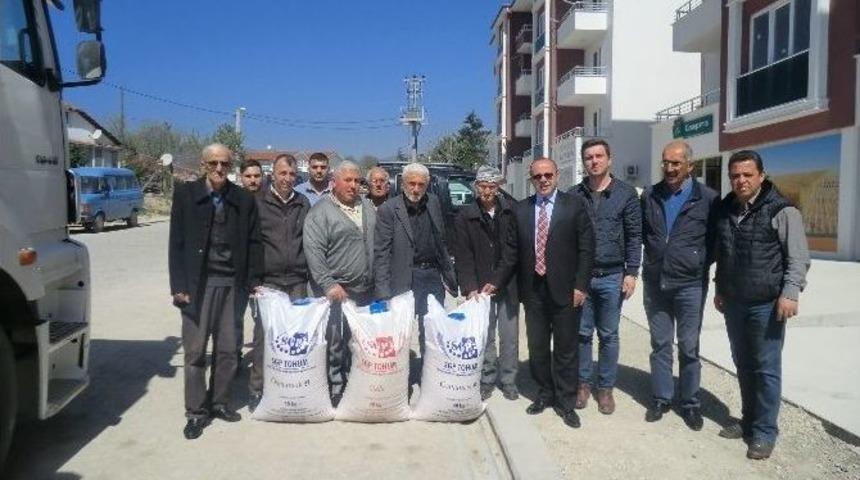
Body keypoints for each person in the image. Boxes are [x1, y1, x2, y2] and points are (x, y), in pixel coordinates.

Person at [713, 150, 810, 460]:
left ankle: (765, 432)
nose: (740, 180)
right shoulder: (727, 208)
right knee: (743, 365)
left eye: (747, 175)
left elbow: (798, 257)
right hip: (734, 302)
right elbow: (726, 253)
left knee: (766, 369)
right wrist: (720, 288)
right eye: (735, 175)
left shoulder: (782, 210)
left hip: (767, 304)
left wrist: (790, 293)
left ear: (761, 176)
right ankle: (749, 420)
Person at [168, 143, 262, 440]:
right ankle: (196, 412)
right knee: (195, 352)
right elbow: (176, 244)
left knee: (227, 351)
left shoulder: (243, 199)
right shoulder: (186, 195)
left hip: (232, 285)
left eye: (224, 163)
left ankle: (219, 402)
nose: (219, 169)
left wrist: (252, 280)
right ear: (203, 164)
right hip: (197, 286)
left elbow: (254, 242)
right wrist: (179, 287)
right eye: (213, 164)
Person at [497, 157, 594, 428]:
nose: (543, 180)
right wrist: (496, 282)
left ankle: (565, 402)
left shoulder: (574, 206)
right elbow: (512, 253)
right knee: (538, 348)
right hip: (533, 291)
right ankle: (545, 393)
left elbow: (587, 249)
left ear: (557, 176)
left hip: (566, 291)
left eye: (547, 175)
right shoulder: (521, 210)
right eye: (537, 176)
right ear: (531, 179)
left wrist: (581, 286)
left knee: (566, 349)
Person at [640, 140, 719, 431]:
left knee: (688, 346)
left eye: (676, 163)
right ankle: (661, 398)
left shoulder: (708, 198)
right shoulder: (650, 195)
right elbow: (645, 234)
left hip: (689, 285)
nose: (670, 168)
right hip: (656, 282)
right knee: (660, 344)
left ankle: (690, 403)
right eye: (666, 162)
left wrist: (695, 261)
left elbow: (714, 243)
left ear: (690, 166)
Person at [569, 139, 641, 415]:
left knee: (609, 335)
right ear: (584, 161)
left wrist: (632, 272)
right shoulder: (575, 195)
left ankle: (606, 388)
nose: (594, 161)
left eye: (599, 156)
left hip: (613, 275)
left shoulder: (626, 194)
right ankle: (583, 384)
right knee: (582, 334)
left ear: (609, 159)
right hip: (582, 277)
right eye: (588, 157)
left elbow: (635, 235)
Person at [374, 162, 457, 383]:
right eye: (412, 183)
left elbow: (441, 241)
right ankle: (401, 379)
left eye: (421, 184)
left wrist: (449, 276)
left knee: (431, 330)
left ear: (427, 185)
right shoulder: (389, 210)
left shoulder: (435, 203)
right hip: (403, 278)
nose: (416, 188)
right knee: (401, 333)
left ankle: (429, 377)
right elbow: (381, 253)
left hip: (431, 276)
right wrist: (382, 292)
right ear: (403, 184)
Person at [303, 161, 377, 405]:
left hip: (363, 289)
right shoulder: (320, 212)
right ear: (334, 182)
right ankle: (335, 385)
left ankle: (355, 381)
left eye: (357, 181)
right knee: (334, 341)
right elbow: (314, 252)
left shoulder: (366, 207)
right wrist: (328, 284)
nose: (354, 185)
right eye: (348, 180)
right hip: (335, 290)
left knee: (357, 340)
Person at [247, 153, 311, 413]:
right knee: (264, 336)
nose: (287, 178)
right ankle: (257, 389)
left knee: (296, 336)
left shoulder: (303, 203)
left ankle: (292, 387)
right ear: (272, 174)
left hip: (297, 280)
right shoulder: (257, 202)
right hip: (269, 282)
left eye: (292, 174)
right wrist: (253, 280)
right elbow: (249, 242)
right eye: (282, 173)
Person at [452, 165, 519, 401]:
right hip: (479, 287)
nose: (487, 191)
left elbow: (513, 252)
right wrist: (469, 287)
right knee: (486, 335)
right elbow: (463, 255)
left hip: (507, 285)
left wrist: (496, 280)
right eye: (483, 186)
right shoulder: (464, 216)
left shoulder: (511, 211)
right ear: (476, 187)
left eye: (492, 186)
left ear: (498, 187)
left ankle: (509, 380)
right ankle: (488, 378)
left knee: (509, 336)